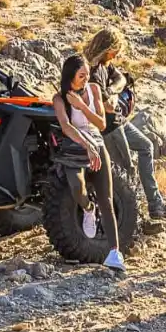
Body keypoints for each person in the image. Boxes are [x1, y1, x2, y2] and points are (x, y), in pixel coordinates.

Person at [84, 28, 166, 220]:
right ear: (108, 49)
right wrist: (111, 96)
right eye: (115, 51)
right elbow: (107, 105)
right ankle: (131, 216)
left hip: (120, 123)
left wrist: (112, 91)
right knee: (125, 171)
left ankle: (155, 204)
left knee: (146, 146)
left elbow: (121, 79)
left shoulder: (105, 66)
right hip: (110, 129)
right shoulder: (92, 72)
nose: (117, 55)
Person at [52, 54, 126, 273]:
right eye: (80, 76)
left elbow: (101, 124)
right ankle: (88, 208)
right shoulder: (59, 99)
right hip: (75, 145)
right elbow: (66, 127)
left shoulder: (93, 90)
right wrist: (86, 146)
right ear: (70, 76)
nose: (85, 79)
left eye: (86, 75)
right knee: (76, 187)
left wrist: (82, 106)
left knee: (107, 198)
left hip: (96, 140)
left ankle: (114, 252)